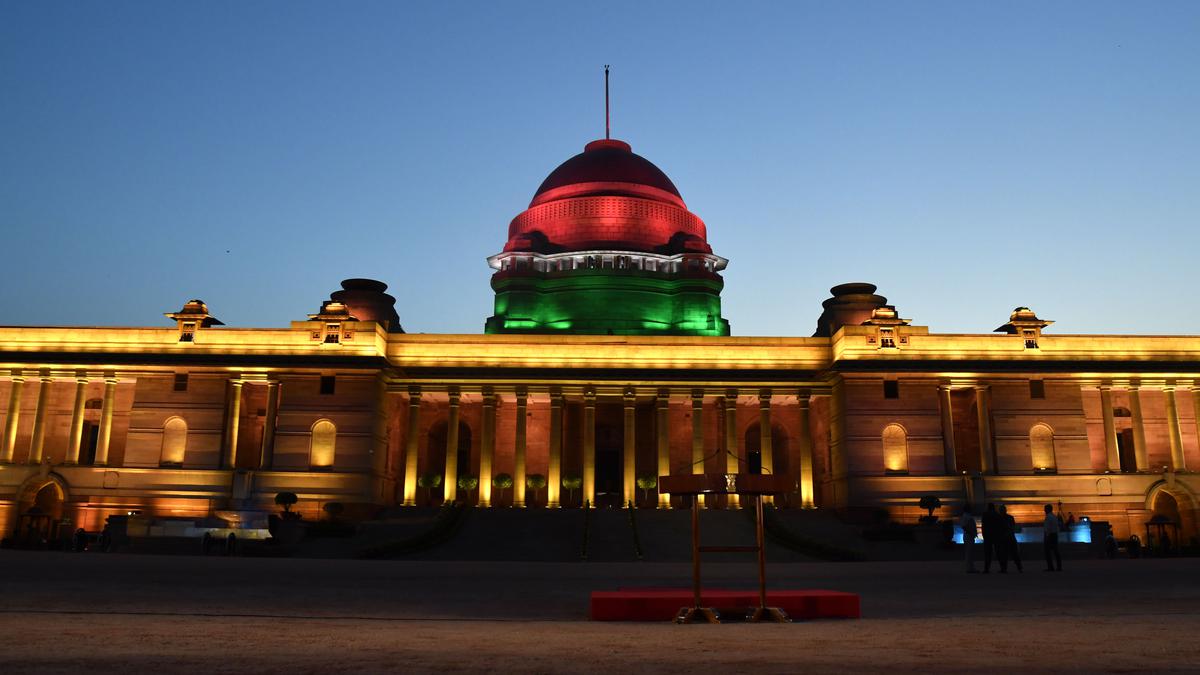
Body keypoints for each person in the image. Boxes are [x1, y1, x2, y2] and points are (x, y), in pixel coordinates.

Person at [982, 503, 1005, 573]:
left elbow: (983, 526)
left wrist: (984, 535)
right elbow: (1001, 526)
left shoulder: (985, 515)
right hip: (996, 536)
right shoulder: (997, 515)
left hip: (988, 536)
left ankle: (986, 569)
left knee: (988, 553)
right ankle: (1003, 568)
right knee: (998, 552)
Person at [999, 505, 1023, 572]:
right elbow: (1012, 527)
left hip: (1004, 538)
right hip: (1010, 537)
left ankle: (1004, 568)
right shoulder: (1010, 517)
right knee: (1014, 553)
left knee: (1004, 554)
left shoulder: (999, 518)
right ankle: (1019, 567)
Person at [1043, 503, 1063, 571]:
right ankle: (1059, 566)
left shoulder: (1048, 517)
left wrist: (1046, 536)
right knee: (1056, 551)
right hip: (1055, 535)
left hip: (1050, 536)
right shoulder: (1054, 516)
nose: (1044, 510)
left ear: (1048, 509)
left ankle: (1050, 567)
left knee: (1048, 552)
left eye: (1045, 509)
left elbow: (1047, 528)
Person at [960, 506, 979, 573]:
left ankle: (970, 568)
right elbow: (964, 526)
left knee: (969, 553)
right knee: (969, 553)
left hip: (969, 536)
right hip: (969, 536)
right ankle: (969, 568)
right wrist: (971, 533)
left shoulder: (966, 516)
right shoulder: (966, 516)